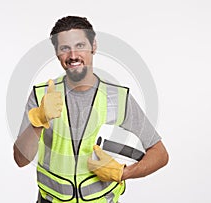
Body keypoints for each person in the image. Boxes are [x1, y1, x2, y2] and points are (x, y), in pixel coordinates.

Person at [13, 16, 169, 203]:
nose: (73, 55)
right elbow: (20, 160)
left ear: (93, 46)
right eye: (64, 48)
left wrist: (123, 173)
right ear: (56, 53)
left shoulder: (117, 98)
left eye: (80, 46)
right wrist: (39, 120)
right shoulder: (41, 95)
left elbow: (160, 154)